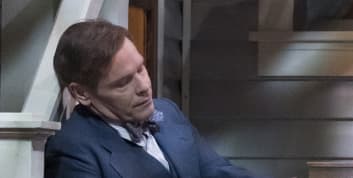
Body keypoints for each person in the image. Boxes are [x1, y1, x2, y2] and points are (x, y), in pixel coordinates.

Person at [45, 19, 265, 178]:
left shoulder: (167, 112)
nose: (144, 87)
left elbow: (217, 171)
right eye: (123, 82)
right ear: (82, 93)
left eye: (141, 69)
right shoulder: (71, 150)